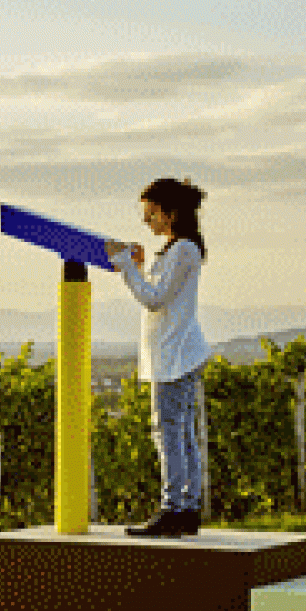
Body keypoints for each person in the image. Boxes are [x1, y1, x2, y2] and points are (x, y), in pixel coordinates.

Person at [102, 178, 214, 538]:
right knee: (180, 434)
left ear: (171, 213)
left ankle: (173, 509)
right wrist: (138, 263)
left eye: (151, 213)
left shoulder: (182, 251)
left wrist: (124, 265)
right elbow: (159, 292)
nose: (146, 220)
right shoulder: (176, 250)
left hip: (175, 355)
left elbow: (155, 299)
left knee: (169, 434)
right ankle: (187, 507)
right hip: (173, 353)